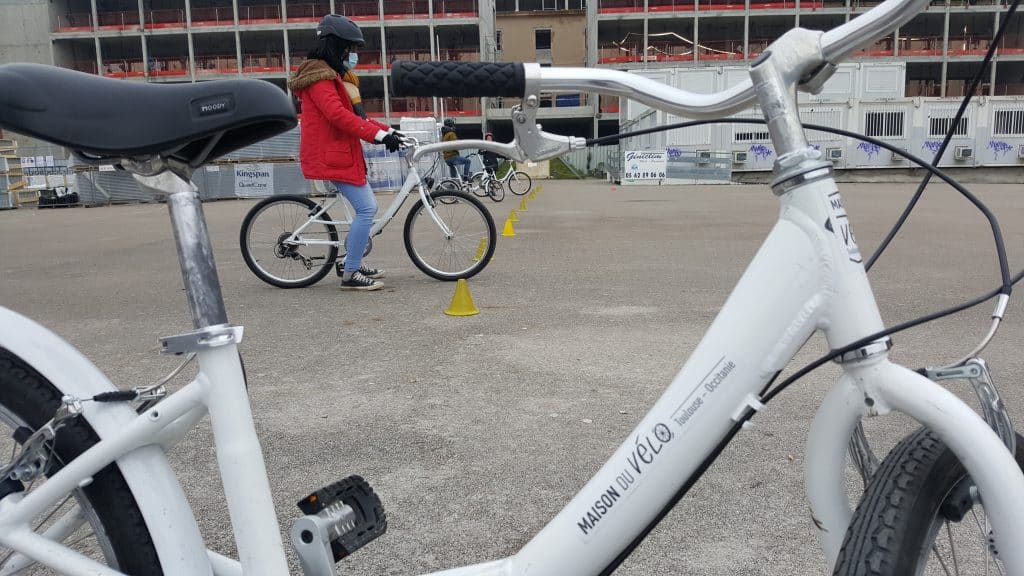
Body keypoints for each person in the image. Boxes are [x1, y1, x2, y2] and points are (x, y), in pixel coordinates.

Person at [287, 14, 403, 291]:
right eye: (347, 49)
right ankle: (350, 274)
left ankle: (352, 260)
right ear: (333, 46)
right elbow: (338, 116)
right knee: (367, 208)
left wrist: (389, 131)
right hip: (330, 156)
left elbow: (355, 115)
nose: (350, 55)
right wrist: (377, 135)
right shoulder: (319, 79)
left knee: (364, 209)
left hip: (339, 153)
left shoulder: (330, 77)